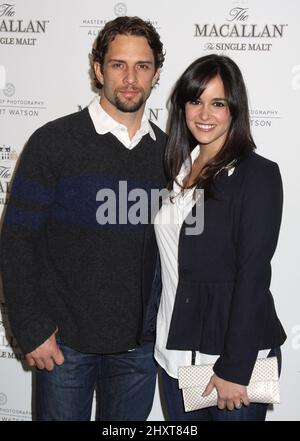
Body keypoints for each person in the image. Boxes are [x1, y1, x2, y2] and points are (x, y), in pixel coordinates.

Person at [0, 16, 166, 421]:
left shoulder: (170, 153)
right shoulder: (52, 142)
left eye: (142, 66)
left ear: (156, 73)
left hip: (139, 352)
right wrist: (32, 329)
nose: (130, 78)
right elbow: (17, 241)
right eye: (117, 65)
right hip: (63, 347)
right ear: (98, 69)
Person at [154, 54, 286, 421]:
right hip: (173, 355)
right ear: (183, 106)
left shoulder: (257, 176)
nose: (204, 113)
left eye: (218, 103)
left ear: (235, 109)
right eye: (196, 101)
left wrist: (235, 367)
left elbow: (253, 274)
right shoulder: (177, 170)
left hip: (228, 364)